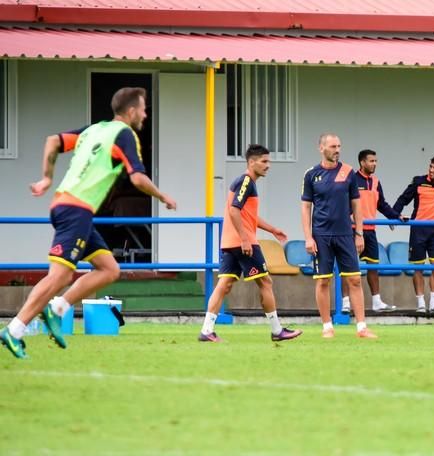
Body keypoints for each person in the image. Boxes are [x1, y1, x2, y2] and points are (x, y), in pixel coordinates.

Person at [0, 87, 177, 359]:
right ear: (131, 111)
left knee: (109, 269)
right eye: (143, 108)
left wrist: (47, 177)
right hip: (76, 210)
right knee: (59, 276)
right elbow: (138, 178)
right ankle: (14, 330)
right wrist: (162, 195)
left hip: (68, 207)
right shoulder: (125, 134)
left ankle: (57, 309)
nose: (145, 114)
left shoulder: (95, 129)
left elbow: (53, 141)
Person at [198, 145, 302, 343]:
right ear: (251, 162)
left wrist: (271, 229)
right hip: (243, 243)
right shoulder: (246, 181)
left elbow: (246, 215)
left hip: (230, 242)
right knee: (265, 282)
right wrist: (245, 239)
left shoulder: (244, 182)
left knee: (224, 284)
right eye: (264, 161)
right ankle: (277, 330)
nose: (268, 165)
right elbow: (234, 210)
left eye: (268, 161)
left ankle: (206, 330)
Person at [301, 133, 377, 339]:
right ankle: (327, 327)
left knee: (354, 280)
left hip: (345, 234)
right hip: (321, 236)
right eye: (333, 146)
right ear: (321, 148)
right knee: (323, 281)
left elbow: (356, 205)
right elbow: (306, 207)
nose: (337, 150)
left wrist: (359, 233)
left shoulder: (348, 172)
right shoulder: (311, 175)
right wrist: (308, 237)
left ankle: (361, 327)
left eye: (339, 146)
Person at [341, 149, 408, 314]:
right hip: (351, 229)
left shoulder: (376, 181)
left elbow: (382, 204)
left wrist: (395, 216)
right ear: (362, 162)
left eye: (376, 161)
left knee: (373, 266)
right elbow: (343, 201)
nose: (374, 164)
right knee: (348, 267)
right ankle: (345, 302)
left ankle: (377, 302)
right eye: (371, 161)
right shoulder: (352, 179)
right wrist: (348, 217)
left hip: (370, 230)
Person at [393, 155, 434, 313]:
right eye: (431, 167)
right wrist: (394, 215)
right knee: (417, 268)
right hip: (418, 229)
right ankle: (420, 304)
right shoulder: (419, 181)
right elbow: (403, 199)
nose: (431, 170)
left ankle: (433, 304)